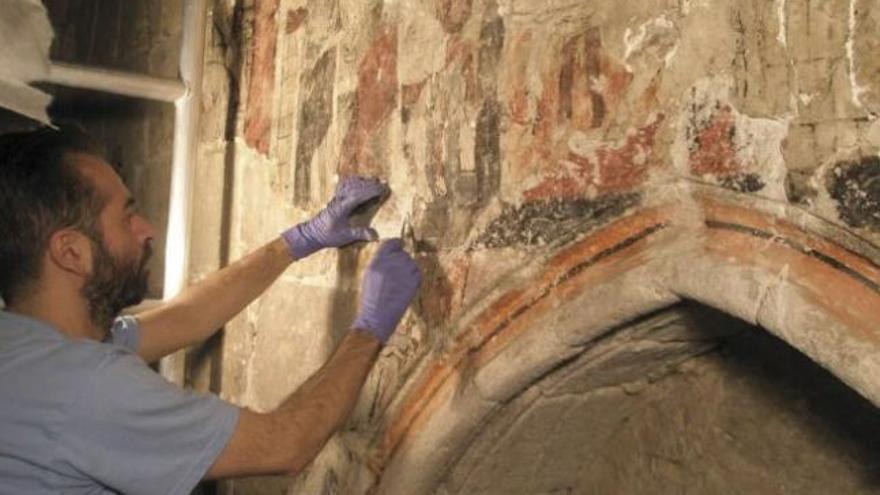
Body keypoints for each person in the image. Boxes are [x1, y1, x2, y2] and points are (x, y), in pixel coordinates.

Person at [0, 126, 421, 494]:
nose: (147, 230)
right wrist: (369, 327)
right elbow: (285, 445)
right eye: (126, 218)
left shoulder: (26, 345)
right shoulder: (84, 389)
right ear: (71, 252)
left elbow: (188, 318)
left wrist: (298, 240)